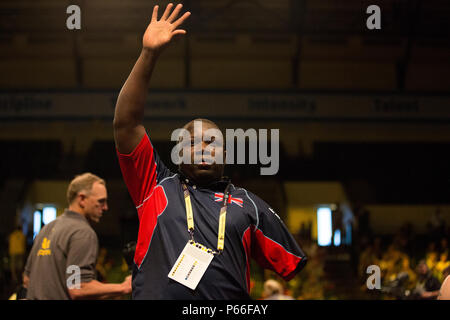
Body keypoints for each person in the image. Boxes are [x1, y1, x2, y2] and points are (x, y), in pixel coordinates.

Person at [113, 3, 307, 299]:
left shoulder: (249, 206)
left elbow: (292, 263)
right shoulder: (154, 186)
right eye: (191, 142)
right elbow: (126, 123)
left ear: (225, 154)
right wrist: (148, 54)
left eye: (211, 143)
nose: (202, 148)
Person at [23, 173, 131, 299]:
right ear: (82, 199)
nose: (105, 207)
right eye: (101, 201)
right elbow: (78, 287)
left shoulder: (47, 228)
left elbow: (27, 279)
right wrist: (123, 287)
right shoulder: (82, 233)